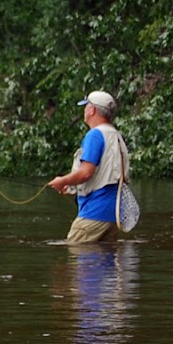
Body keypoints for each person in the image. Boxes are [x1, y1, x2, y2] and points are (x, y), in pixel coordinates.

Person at [47, 90, 131, 244]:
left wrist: (63, 181)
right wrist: (72, 187)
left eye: (86, 107)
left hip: (93, 213)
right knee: (103, 263)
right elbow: (104, 175)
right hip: (113, 215)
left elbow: (86, 173)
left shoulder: (95, 135)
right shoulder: (115, 135)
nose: (84, 110)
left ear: (92, 110)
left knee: (75, 254)